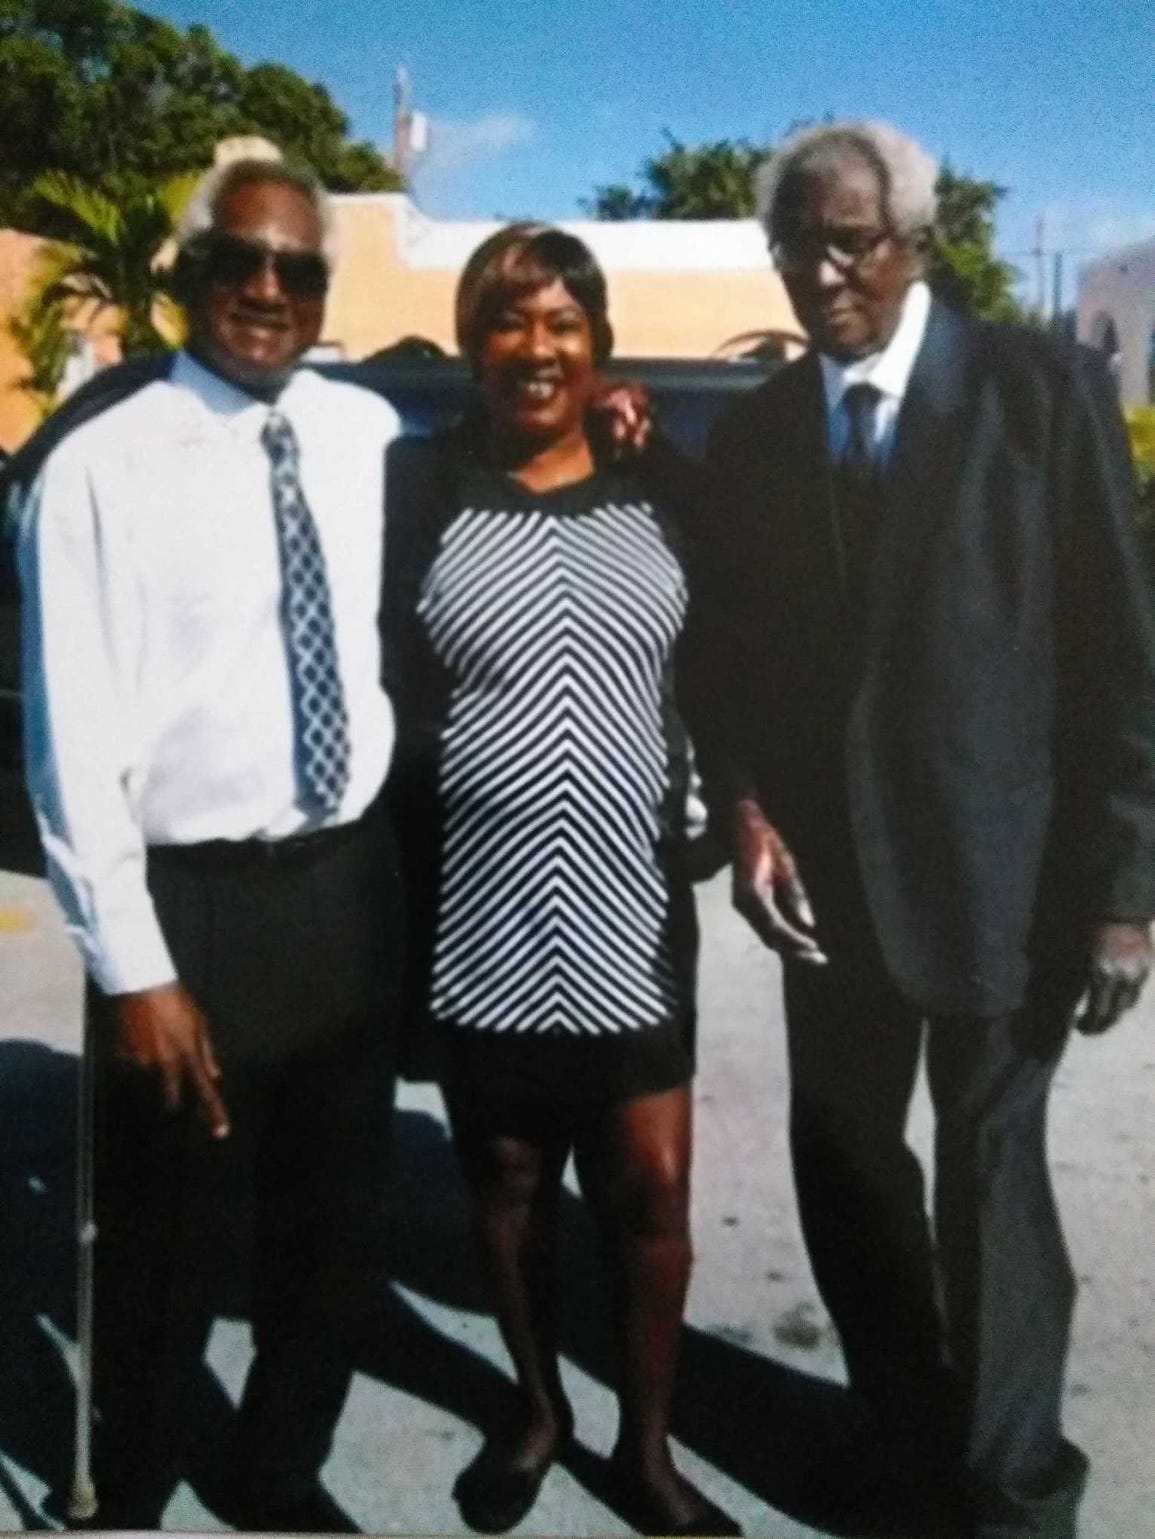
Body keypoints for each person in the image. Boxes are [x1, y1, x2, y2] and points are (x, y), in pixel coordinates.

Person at [695, 120, 1155, 1539]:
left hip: (1004, 873)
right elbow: (735, 653)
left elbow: (1117, 654)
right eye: (797, 244)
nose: (824, 272)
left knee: (992, 1177)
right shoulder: (764, 429)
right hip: (826, 886)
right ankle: (905, 1426)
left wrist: (1128, 888)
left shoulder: (1039, 391)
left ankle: (1015, 1495)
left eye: (853, 240)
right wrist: (751, 806)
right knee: (843, 1157)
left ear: (914, 243)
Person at [18, 157, 404, 1532]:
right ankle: (128, 1486)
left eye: (299, 270)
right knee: (169, 1241)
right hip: (193, 906)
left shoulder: (365, 431)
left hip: (344, 888)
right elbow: (71, 747)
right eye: (240, 260)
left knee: (333, 1233)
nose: (267, 289)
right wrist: (133, 970)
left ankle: (276, 1473)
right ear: (187, 275)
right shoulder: (97, 469)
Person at [382, 223, 739, 1538]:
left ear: (599, 346)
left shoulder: (660, 491)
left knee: (650, 1193)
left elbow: (741, 642)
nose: (538, 349)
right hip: (477, 907)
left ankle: (644, 1452)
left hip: (632, 910)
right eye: (509, 324)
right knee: (509, 1184)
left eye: (563, 325)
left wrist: (740, 801)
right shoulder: (423, 490)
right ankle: (537, 1410)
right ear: (476, 347)